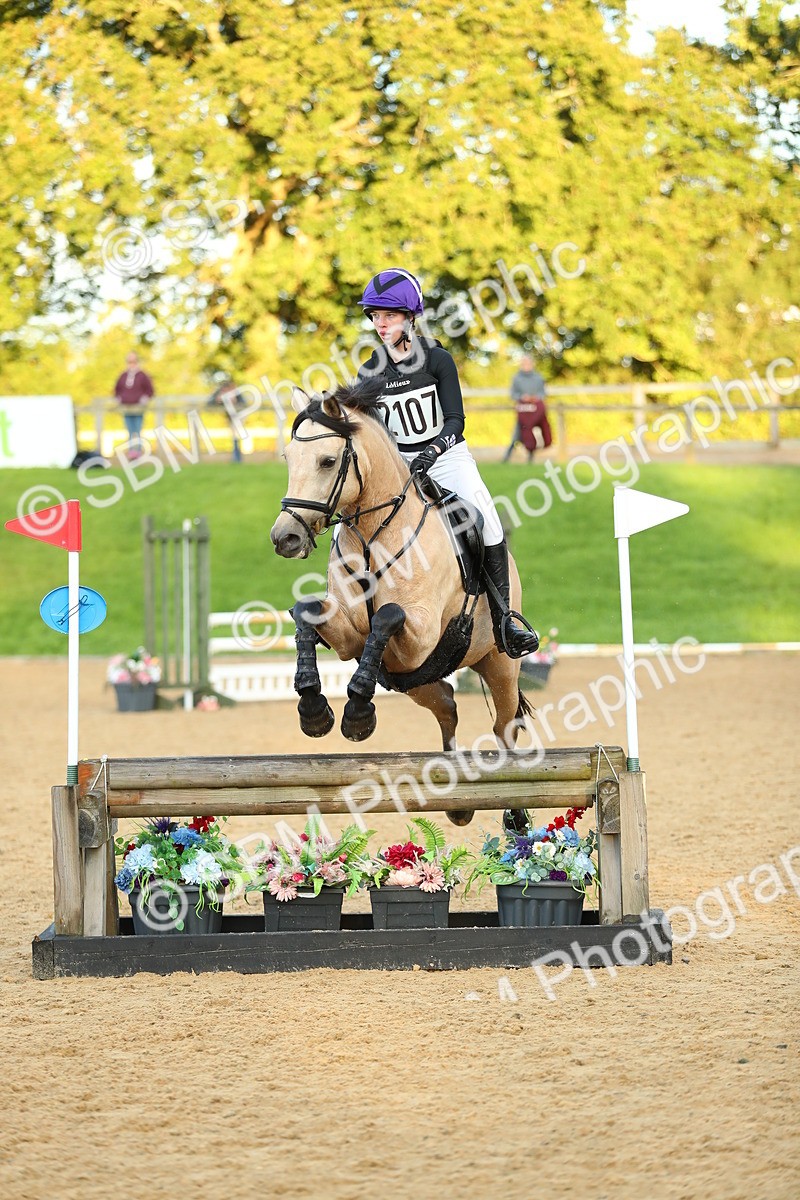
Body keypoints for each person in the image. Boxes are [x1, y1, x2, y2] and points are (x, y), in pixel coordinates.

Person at [356, 267, 539, 659]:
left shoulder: (437, 360)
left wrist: (432, 453)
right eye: (375, 316)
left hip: (446, 458)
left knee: (487, 522)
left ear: (410, 317)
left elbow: (455, 421)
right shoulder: (370, 371)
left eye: (388, 315)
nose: (380, 323)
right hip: (400, 469)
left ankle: (506, 619)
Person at [503, 356, 551, 463]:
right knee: (517, 434)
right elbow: (513, 394)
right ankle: (506, 458)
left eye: (528, 363)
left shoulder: (538, 378)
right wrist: (522, 397)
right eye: (524, 363)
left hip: (536, 411)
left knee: (534, 433)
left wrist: (535, 398)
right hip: (523, 411)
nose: (526, 366)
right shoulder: (516, 378)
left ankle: (530, 458)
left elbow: (543, 393)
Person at [113, 352, 154, 459]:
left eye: (133, 361)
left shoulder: (142, 375)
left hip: (138, 409)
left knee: (138, 429)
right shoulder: (123, 376)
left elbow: (150, 390)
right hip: (126, 408)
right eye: (129, 362)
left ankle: (139, 451)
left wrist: (145, 398)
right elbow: (117, 390)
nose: (131, 364)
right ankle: (132, 452)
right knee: (130, 430)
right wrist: (118, 398)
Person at [207, 376, 246, 463]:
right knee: (234, 437)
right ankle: (236, 458)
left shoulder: (236, 393)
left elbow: (243, 403)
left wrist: (234, 401)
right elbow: (209, 402)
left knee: (236, 436)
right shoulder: (220, 392)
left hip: (238, 417)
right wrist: (218, 400)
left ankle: (237, 458)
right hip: (230, 418)